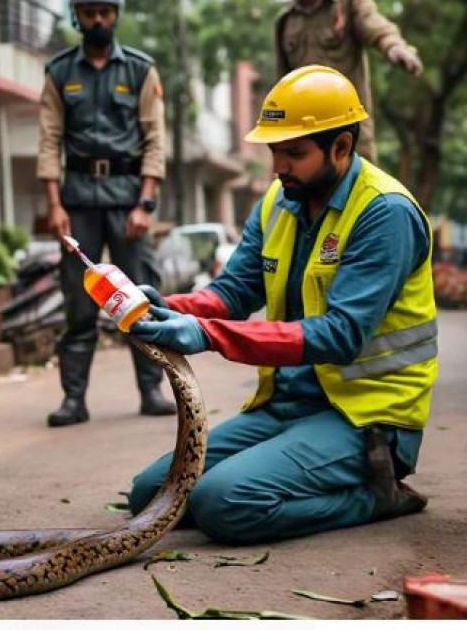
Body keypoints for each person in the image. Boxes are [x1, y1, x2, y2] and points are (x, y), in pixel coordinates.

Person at [127, 65, 437, 545]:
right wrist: (168, 306)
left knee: (221, 503)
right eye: (274, 151)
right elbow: (234, 291)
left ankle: (378, 495)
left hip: (364, 419)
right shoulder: (280, 199)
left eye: (294, 153)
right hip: (287, 405)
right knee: (151, 494)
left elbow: (339, 335)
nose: (279, 166)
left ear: (342, 147)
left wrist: (208, 335)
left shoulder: (384, 213)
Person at [37, 0, 176, 427]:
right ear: (77, 17)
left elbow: (155, 139)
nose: (97, 19)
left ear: (115, 16)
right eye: (89, 12)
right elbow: (49, 140)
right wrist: (55, 205)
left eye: (105, 12)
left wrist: (146, 203)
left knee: (135, 298)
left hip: (127, 201)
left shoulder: (139, 69)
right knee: (79, 303)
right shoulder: (58, 72)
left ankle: (151, 390)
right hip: (77, 202)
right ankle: (73, 399)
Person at [275, 0, 423, 163]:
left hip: (350, 134)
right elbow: (283, 84)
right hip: (305, 138)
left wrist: (395, 47)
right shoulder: (285, 20)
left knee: (358, 191)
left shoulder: (349, 3)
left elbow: (378, 29)